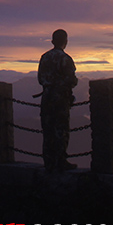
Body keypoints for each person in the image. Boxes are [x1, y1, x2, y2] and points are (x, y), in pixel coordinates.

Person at [37, 29, 78, 173]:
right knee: (61, 129)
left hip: (46, 97)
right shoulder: (65, 59)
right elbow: (71, 80)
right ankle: (60, 161)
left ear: (52, 41)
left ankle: (49, 161)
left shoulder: (45, 57)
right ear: (65, 42)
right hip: (60, 98)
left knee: (48, 129)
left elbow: (40, 79)